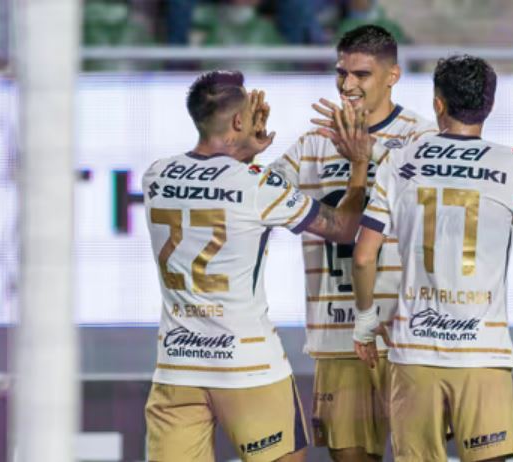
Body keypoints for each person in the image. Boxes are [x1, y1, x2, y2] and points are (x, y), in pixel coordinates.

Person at [142, 70, 372, 462]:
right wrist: (359, 165)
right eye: (250, 112)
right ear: (237, 122)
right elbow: (345, 227)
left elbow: (215, 181)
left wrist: (246, 153)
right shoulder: (256, 184)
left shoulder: (155, 175)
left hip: (177, 369)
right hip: (248, 367)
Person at [352, 55, 513, 462]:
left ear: (438, 103)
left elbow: (364, 256)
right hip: (482, 355)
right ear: (489, 104)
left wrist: (365, 323)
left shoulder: (399, 162)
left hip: (414, 352)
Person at [268, 24, 436, 461]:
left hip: (405, 334)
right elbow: (257, 196)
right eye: (341, 72)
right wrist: (247, 155)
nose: (347, 84)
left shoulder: (422, 138)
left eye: (361, 74)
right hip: (336, 335)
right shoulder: (310, 145)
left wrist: (368, 158)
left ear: (392, 75)